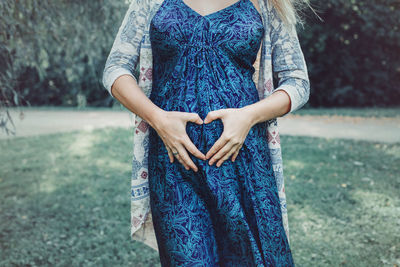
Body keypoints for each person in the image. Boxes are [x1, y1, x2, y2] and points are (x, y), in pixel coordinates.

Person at [102, 0, 311, 265]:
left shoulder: (266, 3)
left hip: (243, 160)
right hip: (174, 163)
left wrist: (248, 116)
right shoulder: (150, 1)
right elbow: (116, 68)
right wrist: (158, 118)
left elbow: (298, 81)